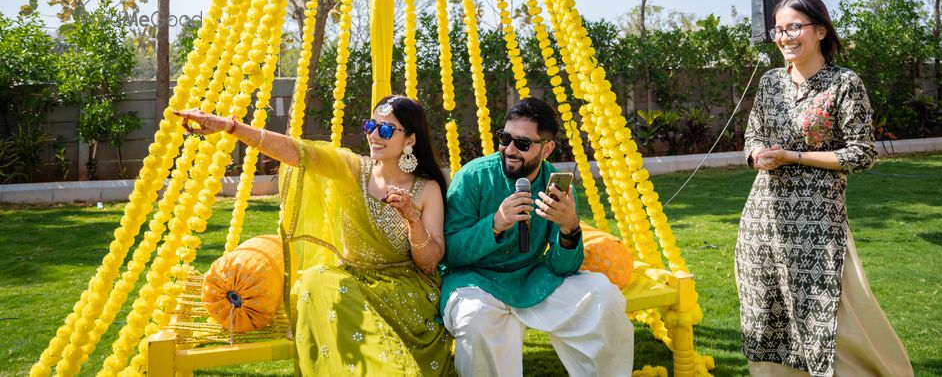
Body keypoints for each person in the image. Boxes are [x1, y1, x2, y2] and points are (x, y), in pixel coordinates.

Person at [174, 94, 454, 376]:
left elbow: (429, 263)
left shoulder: (426, 189)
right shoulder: (353, 169)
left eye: (385, 130)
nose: (373, 136)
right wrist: (230, 127)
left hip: (404, 295)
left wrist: (412, 218)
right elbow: (297, 151)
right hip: (353, 285)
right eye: (371, 126)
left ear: (410, 140)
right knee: (316, 278)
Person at [736, 0, 913, 377]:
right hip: (763, 222)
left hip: (818, 222)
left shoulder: (843, 83)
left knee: (828, 312)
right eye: (779, 29)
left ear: (819, 31)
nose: (785, 37)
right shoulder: (769, 84)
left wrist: (793, 157)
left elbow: (861, 153)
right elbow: (752, 137)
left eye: (794, 27)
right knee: (766, 310)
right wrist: (756, 156)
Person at [440, 96, 634, 377]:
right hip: (475, 281)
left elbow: (562, 267)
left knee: (603, 295)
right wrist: (495, 223)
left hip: (532, 279)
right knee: (476, 319)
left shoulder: (555, 184)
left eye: (522, 143)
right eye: (504, 138)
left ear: (547, 148)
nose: (509, 149)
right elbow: (451, 253)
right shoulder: (473, 177)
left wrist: (569, 229)